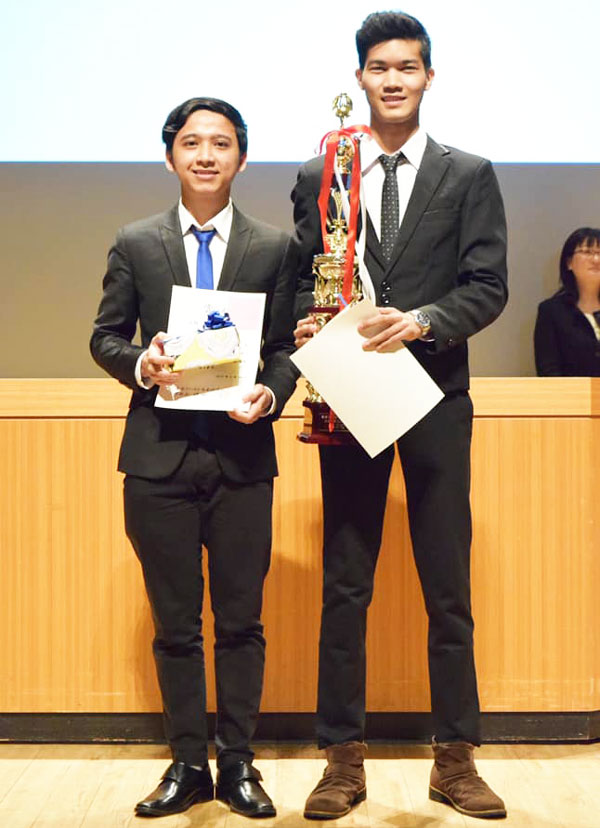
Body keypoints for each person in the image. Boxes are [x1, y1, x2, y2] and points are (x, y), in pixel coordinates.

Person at [293, 11, 508, 821]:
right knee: (345, 583)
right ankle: (340, 761)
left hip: (437, 397)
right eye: (378, 67)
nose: (392, 79)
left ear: (428, 77)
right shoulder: (324, 170)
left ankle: (455, 760)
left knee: (447, 584)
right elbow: (306, 277)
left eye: (406, 67)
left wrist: (421, 321)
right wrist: (308, 322)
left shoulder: (469, 173)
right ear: (360, 78)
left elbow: (488, 286)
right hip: (349, 394)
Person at [90, 97, 298, 819]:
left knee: (241, 621)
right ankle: (186, 765)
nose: (206, 154)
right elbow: (105, 336)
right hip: (159, 460)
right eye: (191, 142)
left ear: (241, 157)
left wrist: (271, 394)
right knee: (175, 626)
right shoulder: (136, 241)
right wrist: (140, 365)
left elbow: (284, 349)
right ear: (170, 155)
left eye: (221, 143)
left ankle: (238, 764)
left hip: (242, 457)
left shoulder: (274, 247)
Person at [534, 227, 600, 376]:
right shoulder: (551, 312)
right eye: (587, 252)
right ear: (569, 262)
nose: (596, 259)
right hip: (570, 391)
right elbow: (548, 371)